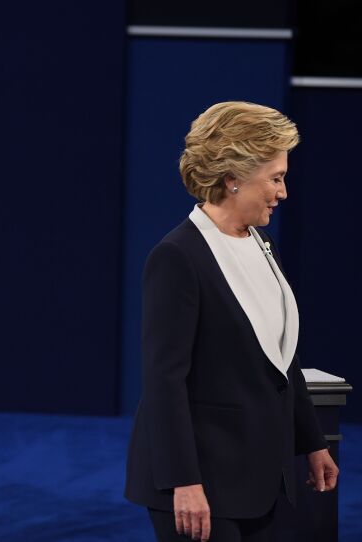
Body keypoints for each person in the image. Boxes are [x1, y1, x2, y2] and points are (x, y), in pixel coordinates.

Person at [124, 102, 339, 542]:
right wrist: (182, 483)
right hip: (198, 484)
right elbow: (165, 381)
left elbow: (281, 358)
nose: (283, 193)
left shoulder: (262, 244)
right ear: (231, 178)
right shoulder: (177, 257)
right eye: (275, 179)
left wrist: (312, 442)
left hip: (258, 476)